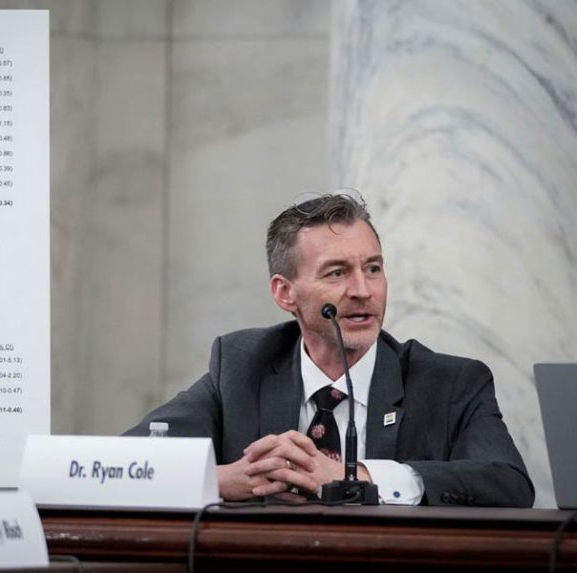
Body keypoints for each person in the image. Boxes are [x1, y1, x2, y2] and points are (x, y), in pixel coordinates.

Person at [125, 192, 534, 507]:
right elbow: (126, 466)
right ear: (285, 293)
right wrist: (220, 480)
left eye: (373, 268)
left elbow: (509, 484)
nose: (362, 291)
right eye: (337, 273)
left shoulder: (449, 384)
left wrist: (355, 478)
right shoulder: (242, 365)